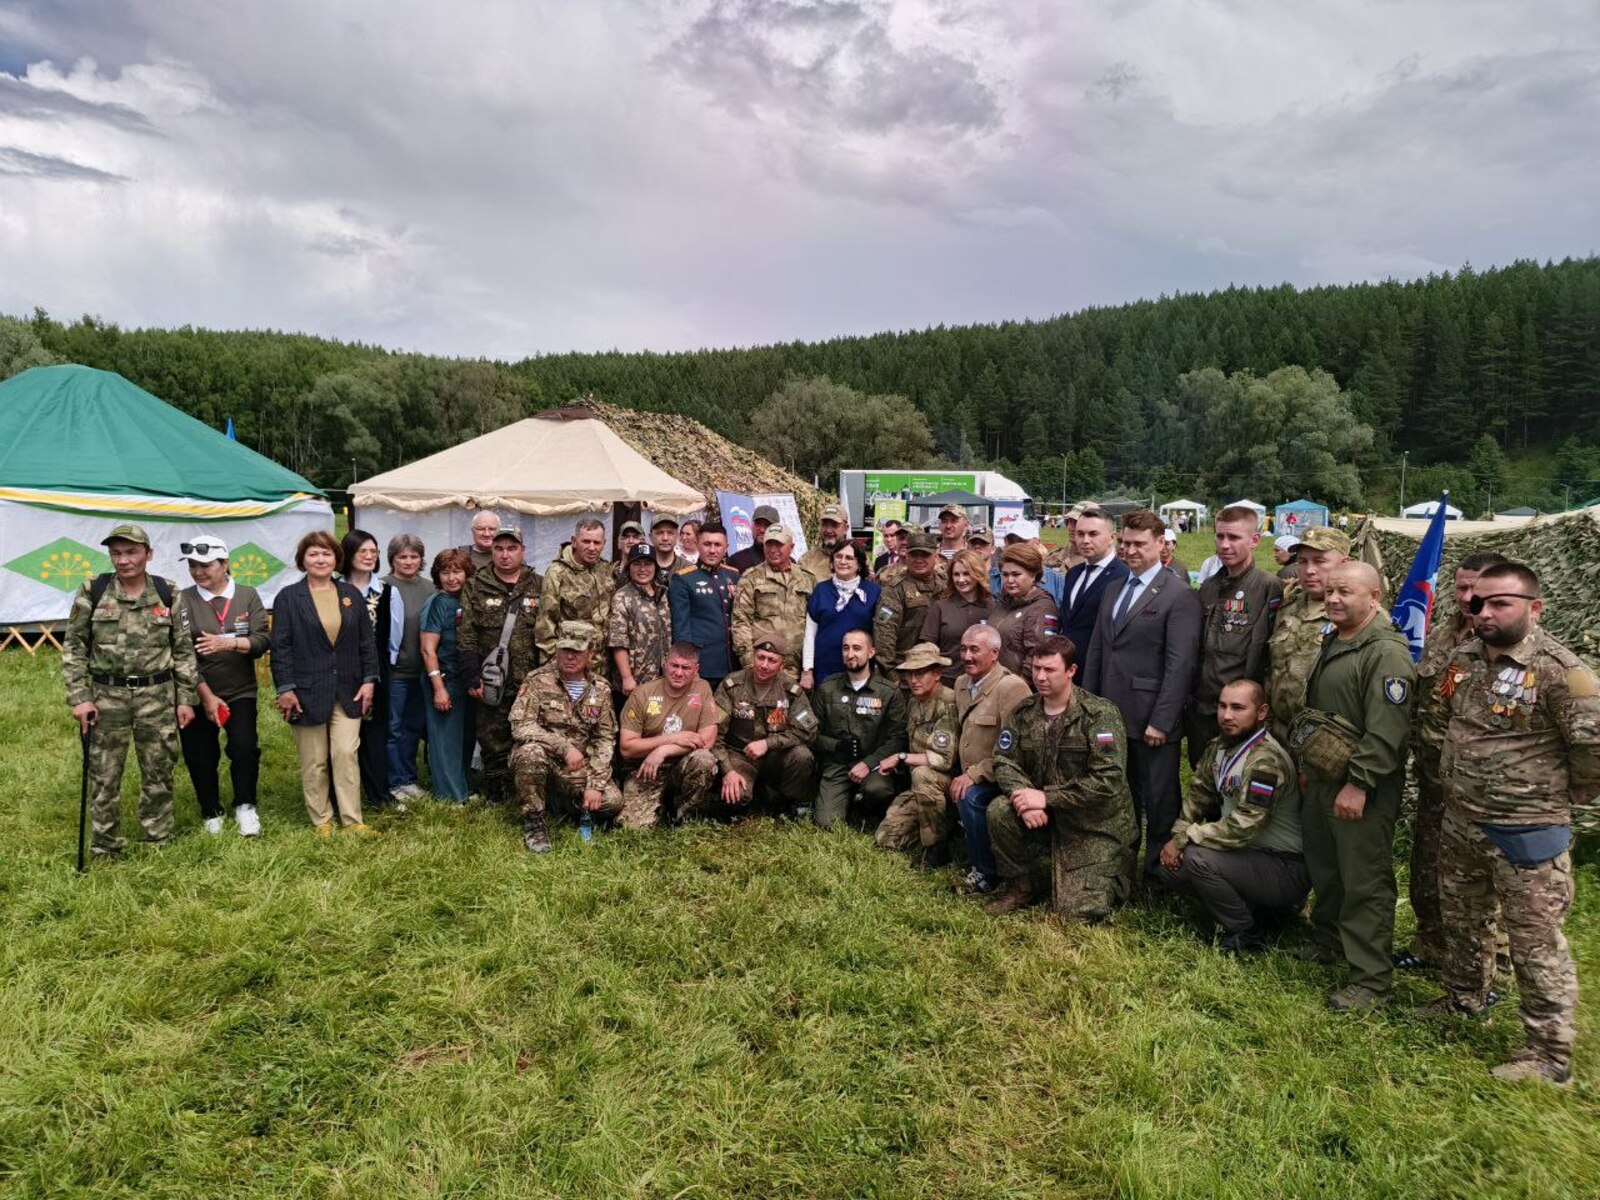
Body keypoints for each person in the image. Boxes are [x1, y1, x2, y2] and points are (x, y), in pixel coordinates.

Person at [1419, 561, 1599, 1084]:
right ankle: (1464, 999)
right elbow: (1443, 715)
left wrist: (1548, 798)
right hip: (1462, 821)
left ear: (1534, 608)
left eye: (1501, 603)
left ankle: (1549, 1055)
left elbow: (1591, 750)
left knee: (1535, 942)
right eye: (1479, 601)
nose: (1485, 611)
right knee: (1465, 921)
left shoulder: (1562, 673)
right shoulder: (1466, 657)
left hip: (1527, 830)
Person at [1293, 561, 1415, 1013]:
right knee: (1327, 867)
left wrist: (1359, 785)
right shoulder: (1335, 638)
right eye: (1329, 592)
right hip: (1325, 778)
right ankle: (1330, 940)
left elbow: (1388, 730)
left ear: (1374, 598)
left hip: (1362, 786)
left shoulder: (1386, 654)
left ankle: (1370, 980)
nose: (1333, 599)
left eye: (1345, 591)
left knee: (1364, 880)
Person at [1400, 551, 1508, 971]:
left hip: (1481, 789)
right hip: (1434, 778)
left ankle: (1493, 965)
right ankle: (1430, 945)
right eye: (1460, 587)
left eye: (1475, 589)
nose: (1466, 597)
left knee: (1484, 883)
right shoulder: (1443, 632)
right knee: (1427, 868)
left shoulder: (1507, 641)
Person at [63, 523, 199, 856]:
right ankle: (105, 844)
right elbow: (74, 646)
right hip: (106, 697)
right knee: (104, 773)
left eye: (131, 552)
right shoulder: (93, 590)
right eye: (116, 553)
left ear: (148, 554)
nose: (124, 560)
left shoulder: (168, 592)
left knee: (159, 769)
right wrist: (80, 698)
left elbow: (182, 648)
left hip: (158, 695)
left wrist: (186, 699)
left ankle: (158, 837)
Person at [1082, 509, 1201, 879]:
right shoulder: (1116, 588)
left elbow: (1180, 665)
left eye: (1139, 544)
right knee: (1120, 795)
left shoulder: (1178, 594)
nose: (1130, 551)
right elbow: (1100, 650)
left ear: (1161, 544)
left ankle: (1158, 876)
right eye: (1125, 543)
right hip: (1111, 715)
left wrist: (1162, 721)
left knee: (1160, 799)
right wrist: (1087, 705)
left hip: (1151, 720)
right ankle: (1122, 868)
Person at [984, 636, 1139, 921]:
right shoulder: (1024, 712)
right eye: (1036, 669)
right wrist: (1024, 798)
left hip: (1092, 825)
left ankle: (1113, 870)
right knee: (999, 811)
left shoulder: (1099, 715)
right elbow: (1004, 759)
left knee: (1076, 914)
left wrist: (1046, 797)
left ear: (1071, 671)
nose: (1040, 677)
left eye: (1050, 670)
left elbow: (1108, 780)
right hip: (1045, 815)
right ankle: (1021, 887)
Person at [1159, 679, 1307, 953]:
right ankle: (1261, 911)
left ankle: (1245, 932)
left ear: (1261, 712)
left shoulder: (1265, 761)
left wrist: (1187, 839)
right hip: (1248, 856)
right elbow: (1199, 794)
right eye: (1222, 706)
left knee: (1197, 858)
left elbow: (1244, 826)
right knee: (1171, 869)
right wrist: (1179, 833)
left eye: (1238, 708)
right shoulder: (1220, 746)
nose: (1227, 715)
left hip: (1284, 866)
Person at [271, 530, 380, 837]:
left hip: (349, 690)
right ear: (302, 560)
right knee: (315, 760)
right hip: (305, 693)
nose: (321, 559)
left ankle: (352, 820)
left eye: (327, 553)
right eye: (314, 554)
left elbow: (366, 644)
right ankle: (322, 820)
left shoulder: (350, 594)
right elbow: (280, 648)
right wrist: (285, 689)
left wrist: (370, 680)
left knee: (346, 753)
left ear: (336, 558)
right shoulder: (289, 598)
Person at [176, 536, 269, 836]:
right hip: (196, 690)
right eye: (192, 566)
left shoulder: (247, 595)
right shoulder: (183, 600)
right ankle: (210, 810)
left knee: (243, 748)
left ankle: (245, 805)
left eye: (205, 565)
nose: (198, 571)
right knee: (200, 753)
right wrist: (205, 695)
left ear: (225, 563)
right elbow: (181, 652)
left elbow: (262, 640)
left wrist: (228, 643)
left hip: (240, 688)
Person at [508, 621, 625, 852]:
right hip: (547, 761)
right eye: (565, 650)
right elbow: (520, 726)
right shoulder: (537, 680)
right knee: (530, 754)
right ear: (557, 649)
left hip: (579, 768)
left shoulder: (600, 688)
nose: (570, 657)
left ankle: (558, 802)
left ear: (590, 654)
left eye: (577, 651)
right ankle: (534, 821)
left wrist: (595, 784)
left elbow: (604, 739)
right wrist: (562, 747)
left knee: (612, 802)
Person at [1190, 504, 1284, 767]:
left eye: (1234, 537)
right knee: (1202, 776)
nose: (1225, 545)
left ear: (1254, 540)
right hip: (1203, 709)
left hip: (1241, 714)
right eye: (1220, 536)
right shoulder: (1208, 587)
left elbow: (1272, 651)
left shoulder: (1268, 587)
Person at [457, 525, 541, 804]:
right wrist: (471, 676)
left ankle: (526, 789)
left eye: (512, 548)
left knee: (527, 734)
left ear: (523, 551)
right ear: (491, 551)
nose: (505, 555)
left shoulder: (538, 584)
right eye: (499, 548)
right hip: (491, 677)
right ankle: (497, 793)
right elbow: (467, 633)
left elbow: (548, 633)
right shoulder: (475, 585)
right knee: (492, 737)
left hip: (529, 679)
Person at [948, 624, 1033, 894]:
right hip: (967, 771)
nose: (967, 656)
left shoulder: (1011, 687)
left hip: (1001, 775)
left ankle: (986, 872)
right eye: (963, 649)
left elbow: (1014, 749)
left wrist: (974, 774)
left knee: (969, 796)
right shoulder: (962, 683)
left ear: (995, 654)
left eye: (975, 650)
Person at [873, 643, 959, 868]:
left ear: (937, 673)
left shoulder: (947, 703)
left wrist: (901, 758)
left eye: (920, 673)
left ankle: (936, 849)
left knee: (922, 773)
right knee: (886, 837)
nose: (913, 680)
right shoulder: (914, 701)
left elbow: (944, 760)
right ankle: (937, 826)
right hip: (921, 787)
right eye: (909, 674)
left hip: (946, 785)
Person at [714, 634, 819, 819]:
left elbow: (808, 732)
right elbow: (715, 734)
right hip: (740, 756)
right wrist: (728, 771)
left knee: (802, 756)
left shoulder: (791, 690)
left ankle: (784, 801)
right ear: (753, 656)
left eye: (772, 660)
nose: (764, 665)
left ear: (782, 664)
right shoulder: (732, 685)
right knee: (735, 799)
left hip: (775, 758)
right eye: (760, 657)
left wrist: (769, 744)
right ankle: (753, 794)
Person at [617, 642, 720, 828]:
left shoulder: (702, 689)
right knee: (633, 829)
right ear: (665, 663)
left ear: (696, 669)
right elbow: (626, 747)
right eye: (674, 665)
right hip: (646, 770)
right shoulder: (642, 694)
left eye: (686, 668)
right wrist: (670, 738)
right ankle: (662, 806)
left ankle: (685, 816)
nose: (679, 673)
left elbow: (707, 740)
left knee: (704, 759)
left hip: (683, 766)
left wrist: (664, 750)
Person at [812, 629, 907, 829]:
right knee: (826, 824)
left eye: (857, 648)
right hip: (837, 765)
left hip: (874, 766)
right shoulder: (827, 688)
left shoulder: (888, 692)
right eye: (846, 648)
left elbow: (898, 737)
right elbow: (811, 734)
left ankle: (866, 806)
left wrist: (868, 763)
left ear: (871, 652)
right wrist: (836, 745)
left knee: (878, 790)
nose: (850, 654)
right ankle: (844, 802)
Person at [1265, 526, 1350, 744]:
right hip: (1278, 734)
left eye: (1320, 561)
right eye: (1302, 561)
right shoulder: (1288, 604)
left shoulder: (1357, 615)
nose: (1309, 570)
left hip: (1324, 745)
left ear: (1345, 564)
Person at [339, 529, 392, 812]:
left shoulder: (386, 591)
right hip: (340, 670)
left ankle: (378, 793)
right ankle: (342, 794)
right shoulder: (332, 588)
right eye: (363, 551)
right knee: (341, 735)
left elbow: (392, 635)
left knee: (375, 733)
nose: (370, 556)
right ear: (348, 555)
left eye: (374, 551)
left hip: (376, 670)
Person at [382, 532, 435, 804]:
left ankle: (409, 779)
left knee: (413, 726)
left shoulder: (430, 589)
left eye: (414, 556)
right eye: (402, 556)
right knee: (393, 728)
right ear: (392, 559)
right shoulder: (382, 587)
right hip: (395, 673)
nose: (408, 561)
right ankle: (393, 782)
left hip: (423, 672)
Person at [419, 548, 475, 803]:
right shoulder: (437, 603)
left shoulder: (466, 600)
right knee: (445, 741)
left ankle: (462, 789)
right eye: (445, 572)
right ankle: (449, 797)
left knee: (463, 739)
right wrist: (438, 687)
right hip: (443, 679)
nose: (451, 578)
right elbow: (427, 648)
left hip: (464, 680)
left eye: (457, 571)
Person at [732, 525, 814, 676]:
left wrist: (809, 668)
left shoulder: (807, 578)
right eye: (769, 544)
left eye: (779, 544)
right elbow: (740, 622)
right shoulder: (751, 578)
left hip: (798, 668)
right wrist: (749, 663)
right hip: (762, 666)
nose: (773, 549)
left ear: (792, 547)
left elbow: (814, 623)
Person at [669, 522, 739, 690]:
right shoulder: (684, 579)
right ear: (698, 544)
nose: (712, 550)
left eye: (718, 545)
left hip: (733, 663)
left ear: (726, 547)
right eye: (707, 544)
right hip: (703, 665)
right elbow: (681, 629)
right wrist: (687, 665)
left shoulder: (733, 575)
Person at [802, 541, 880, 690]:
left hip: (860, 670)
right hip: (825, 668)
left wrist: (877, 667)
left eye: (849, 558)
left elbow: (880, 635)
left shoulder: (873, 592)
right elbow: (810, 634)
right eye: (838, 556)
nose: (843, 561)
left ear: (859, 564)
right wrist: (807, 670)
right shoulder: (821, 590)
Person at [536, 517, 611, 662]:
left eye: (596, 543)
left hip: (603, 662)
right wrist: (553, 663)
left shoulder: (605, 569)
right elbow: (545, 624)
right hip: (572, 662)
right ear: (574, 541)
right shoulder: (557, 573)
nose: (591, 547)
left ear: (604, 544)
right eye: (586, 541)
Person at [1059, 508, 1128, 663]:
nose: (1085, 540)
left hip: (1100, 670)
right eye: (1080, 534)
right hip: (1067, 668)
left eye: (1093, 534)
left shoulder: (1124, 576)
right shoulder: (1073, 574)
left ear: (1112, 538)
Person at [874, 529, 944, 676]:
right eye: (914, 554)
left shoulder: (945, 584)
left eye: (925, 554)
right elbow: (884, 635)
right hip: (906, 672)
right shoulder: (895, 588)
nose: (919, 559)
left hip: (939, 670)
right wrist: (891, 675)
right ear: (906, 555)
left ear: (936, 557)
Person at [921, 548, 993, 687]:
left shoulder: (992, 607)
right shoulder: (940, 607)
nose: (961, 580)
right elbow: (927, 649)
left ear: (977, 574)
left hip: (984, 683)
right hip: (947, 681)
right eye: (956, 574)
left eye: (966, 574)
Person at [608, 544, 671, 698]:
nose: (642, 569)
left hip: (663, 679)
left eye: (648, 564)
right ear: (629, 567)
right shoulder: (622, 597)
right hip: (635, 681)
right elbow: (618, 641)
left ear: (655, 566)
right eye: (637, 564)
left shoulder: (664, 593)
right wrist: (627, 677)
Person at [991, 542, 1060, 679]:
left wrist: (1020, 687)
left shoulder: (1043, 608)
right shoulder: (1003, 602)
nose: (1009, 580)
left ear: (1033, 575)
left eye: (1016, 574)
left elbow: (1039, 653)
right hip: (995, 683)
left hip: (1019, 688)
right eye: (1005, 574)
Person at [799, 503, 851, 579]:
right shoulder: (807, 560)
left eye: (834, 525)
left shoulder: (857, 559)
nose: (828, 530)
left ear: (846, 528)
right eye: (824, 524)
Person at [727, 504, 780, 574]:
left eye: (767, 525)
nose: (761, 529)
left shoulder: (786, 562)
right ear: (752, 526)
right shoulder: (737, 560)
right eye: (758, 524)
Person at [1043, 505, 1084, 573]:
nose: (1070, 527)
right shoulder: (1057, 556)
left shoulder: (1099, 561)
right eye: (1068, 521)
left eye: (1076, 522)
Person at [611, 520, 646, 586]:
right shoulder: (609, 570)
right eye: (626, 537)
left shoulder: (648, 571)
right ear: (619, 543)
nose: (630, 541)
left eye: (635, 537)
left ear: (643, 543)